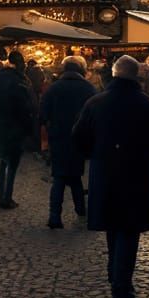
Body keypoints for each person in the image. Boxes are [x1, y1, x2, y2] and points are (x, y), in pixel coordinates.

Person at [74, 55, 149, 298]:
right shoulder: (148, 105)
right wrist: (143, 153)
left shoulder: (95, 103)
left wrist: (95, 154)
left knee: (113, 224)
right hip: (135, 174)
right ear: (136, 78)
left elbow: (79, 137)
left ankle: (115, 273)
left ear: (114, 75)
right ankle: (121, 287)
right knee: (129, 230)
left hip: (105, 173)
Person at [40, 56, 97, 229]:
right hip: (80, 139)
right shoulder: (88, 88)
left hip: (58, 138)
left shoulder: (53, 89)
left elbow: (43, 116)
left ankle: (55, 216)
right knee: (75, 175)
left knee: (59, 176)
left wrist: (44, 141)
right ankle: (81, 210)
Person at [0, 51, 35, 209]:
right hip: (14, 127)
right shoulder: (18, 81)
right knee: (11, 163)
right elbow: (24, 107)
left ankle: (3, 195)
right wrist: (29, 128)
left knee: (4, 161)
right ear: (19, 63)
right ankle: (6, 198)